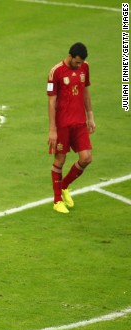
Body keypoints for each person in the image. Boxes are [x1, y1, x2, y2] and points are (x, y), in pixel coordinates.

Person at [47, 42, 96, 214]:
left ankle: (64, 186)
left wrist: (90, 116)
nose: (79, 65)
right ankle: (57, 201)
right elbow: (51, 101)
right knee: (59, 161)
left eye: (81, 62)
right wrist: (52, 129)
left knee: (86, 158)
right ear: (70, 56)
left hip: (80, 123)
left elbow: (85, 91)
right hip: (62, 125)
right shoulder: (56, 72)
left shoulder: (84, 67)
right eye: (77, 62)